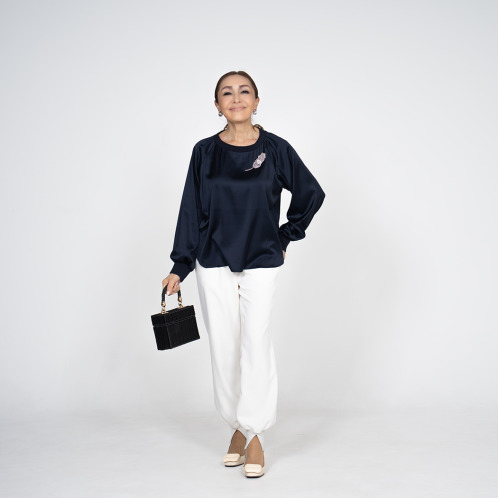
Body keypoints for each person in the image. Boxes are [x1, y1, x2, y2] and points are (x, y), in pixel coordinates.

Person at [161, 70, 325, 478]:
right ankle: (236, 427)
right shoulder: (204, 152)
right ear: (217, 105)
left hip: (261, 259)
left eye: (244, 91)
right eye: (227, 93)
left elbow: (311, 193)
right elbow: (191, 208)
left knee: (255, 342)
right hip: (212, 259)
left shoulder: (276, 149)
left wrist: (285, 236)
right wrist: (181, 265)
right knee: (225, 348)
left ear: (256, 100)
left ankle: (255, 435)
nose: (236, 98)